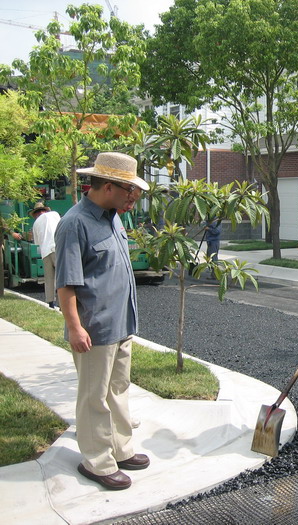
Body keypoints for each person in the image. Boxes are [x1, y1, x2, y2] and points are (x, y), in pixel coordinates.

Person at [54, 152, 150, 490]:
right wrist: (75, 326)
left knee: (118, 389)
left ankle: (121, 449)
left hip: (121, 324)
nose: (132, 199)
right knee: (93, 396)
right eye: (130, 193)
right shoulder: (74, 223)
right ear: (108, 186)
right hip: (94, 329)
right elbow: (66, 282)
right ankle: (96, 461)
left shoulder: (113, 217)